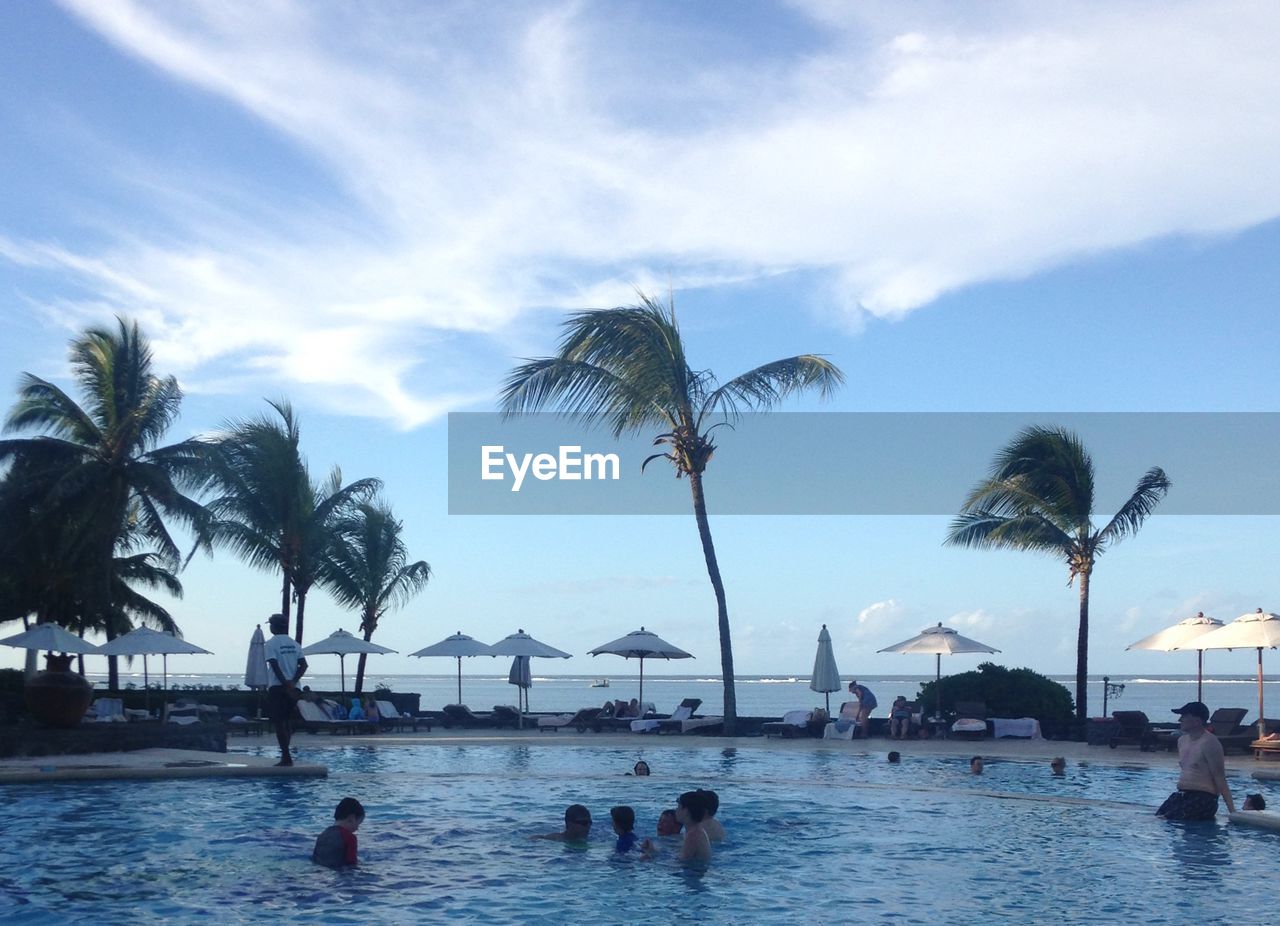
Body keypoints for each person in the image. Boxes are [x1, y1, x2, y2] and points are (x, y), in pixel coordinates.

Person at [1156, 701, 1236, 820]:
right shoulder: (1182, 741)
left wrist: (1233, 812)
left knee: (1165, 819)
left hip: (1203, 798)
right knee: (1156, 818)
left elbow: (1220, 778)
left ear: (1197, 721)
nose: (1180, 720)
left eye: (1184, 716)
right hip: (1181, 795)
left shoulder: (1210, 743)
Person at [264, 613, 307, 767]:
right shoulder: (294, 644)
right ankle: (286, 755)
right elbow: (304, 665)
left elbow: (274, 665)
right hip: (295, 688)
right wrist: (293, 682)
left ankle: (286, 757)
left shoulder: (270, 644)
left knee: (279, 722)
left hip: (278, 687)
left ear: (273, 626)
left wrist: (285, 683)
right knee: (288, 721)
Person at [312, 797, 364, 869]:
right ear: (351, 819)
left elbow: (315, 859)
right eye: (358, 824)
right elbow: (352, 864)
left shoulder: (322, 835)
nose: (357, 828)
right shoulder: (350, 838)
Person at [676, 791, 712, 863]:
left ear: (686, 811)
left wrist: (653, 856)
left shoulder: (693, 835)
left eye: (678, 807)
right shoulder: (696, 831)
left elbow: (680, 864)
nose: (676, 810)